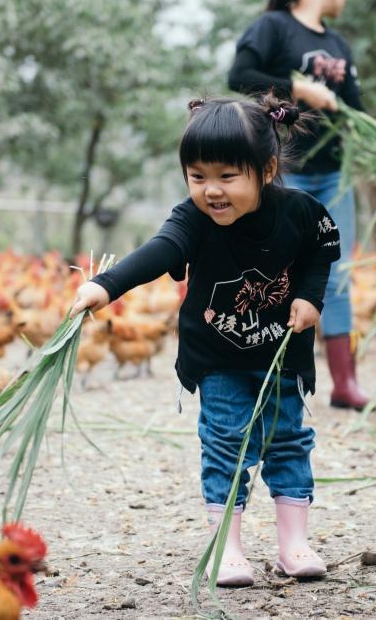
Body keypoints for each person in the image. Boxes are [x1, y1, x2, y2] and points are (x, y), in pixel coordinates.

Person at [71, 95, 341, 587]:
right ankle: (227, 547)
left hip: (283, 354)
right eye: (198, 177)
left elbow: (320, 251)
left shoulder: (301, 211)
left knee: (288, 442)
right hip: (218, 358)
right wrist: (105, 285)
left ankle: (293, 544)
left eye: (226, 177)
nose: (211, 191)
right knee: (226, 442)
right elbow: (162, 249)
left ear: (266, 169)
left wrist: (310, 298)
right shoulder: (192, 220)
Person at [228, 0, 370, 410]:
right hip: (286, 172)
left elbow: (356, 108)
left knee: (336, 271)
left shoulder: (340, 46)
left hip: (334, 175)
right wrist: (297, 90)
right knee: (275, 272)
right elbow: (240, 77)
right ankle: (265, 370)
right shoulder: (272, 27)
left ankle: (345, 382)